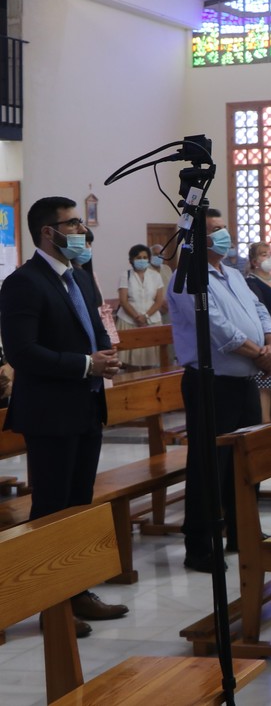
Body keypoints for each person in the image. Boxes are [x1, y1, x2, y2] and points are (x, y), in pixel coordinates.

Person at [0, 196, 126, 637]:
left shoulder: (80, 277)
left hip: (86, 405)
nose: (81, 232)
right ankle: (51, 608)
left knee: (78, 506)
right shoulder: (24, 282)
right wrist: (85, 364)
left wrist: (107, 355)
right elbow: (22, 351)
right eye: (72, 224)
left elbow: (97, 327)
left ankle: (77, 592)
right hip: (50, 412)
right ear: (48, 233)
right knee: (52, 507)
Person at [167, 208, 271, 572]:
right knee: (208, 464)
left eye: (223, 227)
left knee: (247, 458)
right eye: (213, 230)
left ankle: (242, 532)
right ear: (195, 238)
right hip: (210, 383)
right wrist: (256, 352)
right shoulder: (187, 279)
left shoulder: (232, 273)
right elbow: (216, 326)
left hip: (244, 380)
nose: (222, 234)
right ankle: (199, 545)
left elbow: (260, 310)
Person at [245, 241, 271, 423]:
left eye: (270, 253)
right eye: (263, 254)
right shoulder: (251, 282)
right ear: (254, 261)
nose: (269, 257)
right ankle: (265, 427)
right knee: (265, 388)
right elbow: (260, 311)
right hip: (266, 339)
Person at [115, 243, 165, 369]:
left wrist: (146, 316)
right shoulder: (125, 275)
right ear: (131, 260)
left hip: (152, 322)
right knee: (129, 363)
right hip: (128, 322)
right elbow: (123, 300)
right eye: (138, 258)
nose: (142, 260)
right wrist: (137, 317)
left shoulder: (156, 276)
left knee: (151, 362)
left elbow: (159, 301)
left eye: (144, 257)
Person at [149, 244, 173, 324]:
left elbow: (172, 288)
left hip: (168, 309)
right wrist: (160, 303)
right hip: (152, 309)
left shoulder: (167, 269)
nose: (159, 257)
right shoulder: (145, 271)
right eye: (156, 254)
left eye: (162, 254)